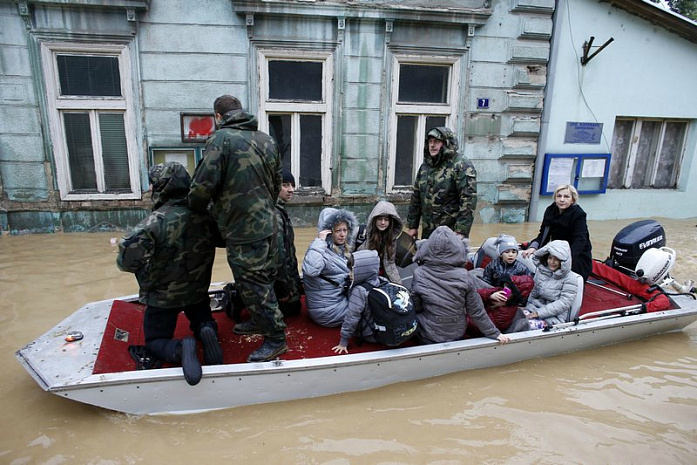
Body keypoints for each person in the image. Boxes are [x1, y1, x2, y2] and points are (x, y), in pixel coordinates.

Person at [188, 94, 287, 363]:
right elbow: (277, 184)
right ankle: (259, 320)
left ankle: (276, 339)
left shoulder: (221, 139)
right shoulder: (266, 140)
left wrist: (194, 208)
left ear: (218, 116)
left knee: (253, 283)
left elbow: (201, 187)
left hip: (243, 229)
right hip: (268, 224)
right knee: (262, 278)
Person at [117, 162, 223, 386]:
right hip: (197, 291)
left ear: (160, 187)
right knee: (203, 318)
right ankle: (206, 330)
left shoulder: (153, 222)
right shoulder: (206, 216)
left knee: (155, 339)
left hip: (162, 298)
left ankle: (179, 349)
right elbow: (225, 239)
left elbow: (127, 262)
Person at [410, 225, 510, 345]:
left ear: (427, 249)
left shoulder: (419, 273)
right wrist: (495, 334)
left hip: (428, 333)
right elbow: (476, 311)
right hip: (456, 333)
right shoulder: (465, 275)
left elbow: (415, 306)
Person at [406, 127, 477, 240]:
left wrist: (460, 231)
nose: (432, 145)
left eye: (437, 142)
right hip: (428, 231)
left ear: (446, 143)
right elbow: (416, 198)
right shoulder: (426, 166)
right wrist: (412, 226)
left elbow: (468, 200)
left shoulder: (461, 165)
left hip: (451, 233)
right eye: (430, 142)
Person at [521, 184, 593, 281]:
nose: (562, 199)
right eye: (559, 196)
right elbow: (543, 234)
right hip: (557, 250)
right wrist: (533, 247)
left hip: (576, 254)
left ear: (573, 200)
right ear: (555, 198)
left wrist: (565, 259)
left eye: (566, 196)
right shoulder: (550, 211)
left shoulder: (579, 214)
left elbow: (580, 240)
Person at [302, 207, 359, 327]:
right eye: (338, 230)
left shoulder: (339, 249)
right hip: (327, 312)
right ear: (328, 231)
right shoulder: (318, 249)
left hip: (334, 301)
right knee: (368, 304)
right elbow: (311, 270)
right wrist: (320, 240)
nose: (343, 235)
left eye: (345, 230)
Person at [331, 249, 381, 354]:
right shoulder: (380, 280)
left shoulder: (359, 291)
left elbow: (352, 317)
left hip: (371, 335)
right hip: (380, 329)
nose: (349, 274)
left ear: (364, 271)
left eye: (353, 271)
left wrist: (343, 342)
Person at [525, 240, 581, 328]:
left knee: (523, 325)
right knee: (513, 317)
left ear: (563, 261)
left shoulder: (570, 278)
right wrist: (527, 306)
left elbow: (564, 303)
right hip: (534, 309)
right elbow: (534, 291)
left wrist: (538, 313)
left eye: (556, 259)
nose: (551, 262)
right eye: (550, 258)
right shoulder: (542, 271)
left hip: (554, 318)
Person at [272, 170, 303, 317]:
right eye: (285, 185)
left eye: (292, 185)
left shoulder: (280, 209)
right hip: (277, 280)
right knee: (292, 311)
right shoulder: (275, 214)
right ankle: (237, 299)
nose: (291, 189)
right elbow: (278, 255)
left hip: (283, 276)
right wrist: (283, 288)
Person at [357, 200, 403, 284]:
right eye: (379, 219)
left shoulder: (391, 239)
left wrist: (399, 285)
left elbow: (391, 264)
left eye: (386, 220)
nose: (382, 223)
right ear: (374, 220)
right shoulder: (361, 233)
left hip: (382, 280)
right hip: (362, 279)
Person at [481, 234, 532, 305]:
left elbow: (526, 287)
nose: (511, 255)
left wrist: (520, 303)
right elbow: (486, 281)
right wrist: (491, 294)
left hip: (511, 299)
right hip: (494, 294)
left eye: (514, 252)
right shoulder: (493, 265)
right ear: (501, 254)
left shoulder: (522, 268)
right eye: (507, 252)